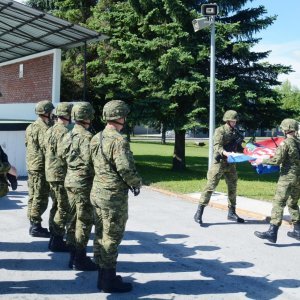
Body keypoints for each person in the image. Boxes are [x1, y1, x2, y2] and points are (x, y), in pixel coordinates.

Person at [90, 100, 142, 293]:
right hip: (113, 196)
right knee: (112, 236)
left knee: (101, 234)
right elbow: (125, 168)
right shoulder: (119, 140)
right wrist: (137, 183)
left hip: (97, 192)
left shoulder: (97, 137)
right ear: (119, 116)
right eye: (124, 116)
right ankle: (108, 280)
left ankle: (102, 276)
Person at [59, 102, 97, 271]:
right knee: (84, 221)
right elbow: (93, 161)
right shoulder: (88, 138)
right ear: (87, 117)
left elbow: (60, 154)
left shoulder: (67, 135)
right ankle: (80, 258)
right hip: (83, 184)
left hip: (70, 181)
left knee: (73, 219)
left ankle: (73, 256)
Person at [194, 110, 245, 226]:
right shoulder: (220, 131)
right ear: (227, 120)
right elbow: (217, 147)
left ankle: (232, 212)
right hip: (219, 163)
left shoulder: (236, 132)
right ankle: (199, 212)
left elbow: (238, 147)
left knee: (233, 187)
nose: (235, 122)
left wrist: (246, 150)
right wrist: (226, 153)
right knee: (210, 187)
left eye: (235, 120)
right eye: (233, 120)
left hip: (231, 164)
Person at [254, 119, 300, 243]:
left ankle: (272, 232)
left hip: (287, 178)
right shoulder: (298, 142)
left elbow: (276, 161)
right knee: (293, 204)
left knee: (278, 203)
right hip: (298, 179)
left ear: (286, 129)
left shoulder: (285, 143)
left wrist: (261, 161)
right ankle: (297, 231)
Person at [45, 102, 73, 252]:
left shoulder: (50, 130)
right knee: (64, 208)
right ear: (68, 115)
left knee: (56, 206)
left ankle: (53, 237)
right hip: (60, 174)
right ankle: (56, 240)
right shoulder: (64, 132)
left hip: (51, 173)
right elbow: (65, 155)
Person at [25, 100, 54, 237]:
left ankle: (33, 224)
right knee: (40, 197)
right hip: (40, 166)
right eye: (51, 112)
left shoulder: (30, 127)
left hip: (32, 165)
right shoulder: (43, 128)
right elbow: (46, 147)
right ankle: (35, 226)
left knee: (33, 195)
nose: (52, 114)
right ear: (46, 113)